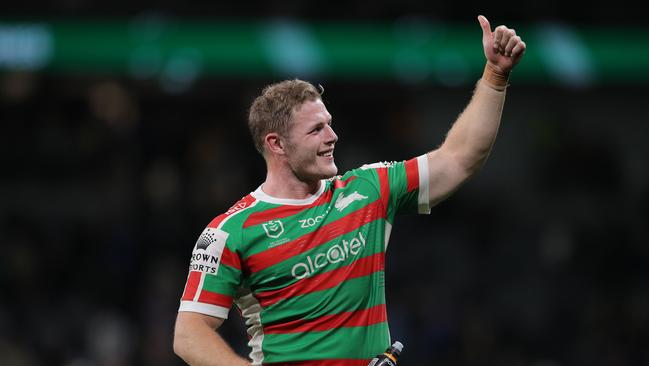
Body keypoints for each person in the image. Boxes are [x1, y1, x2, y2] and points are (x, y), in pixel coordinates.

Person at [173, 15, 526, 366]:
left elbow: (460, 158)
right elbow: (190, 334)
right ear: (276, 144)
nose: (332, 137)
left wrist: (495, 76)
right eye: (316, 130)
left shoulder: (369, 189)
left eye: (330, 124)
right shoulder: (230, 232)